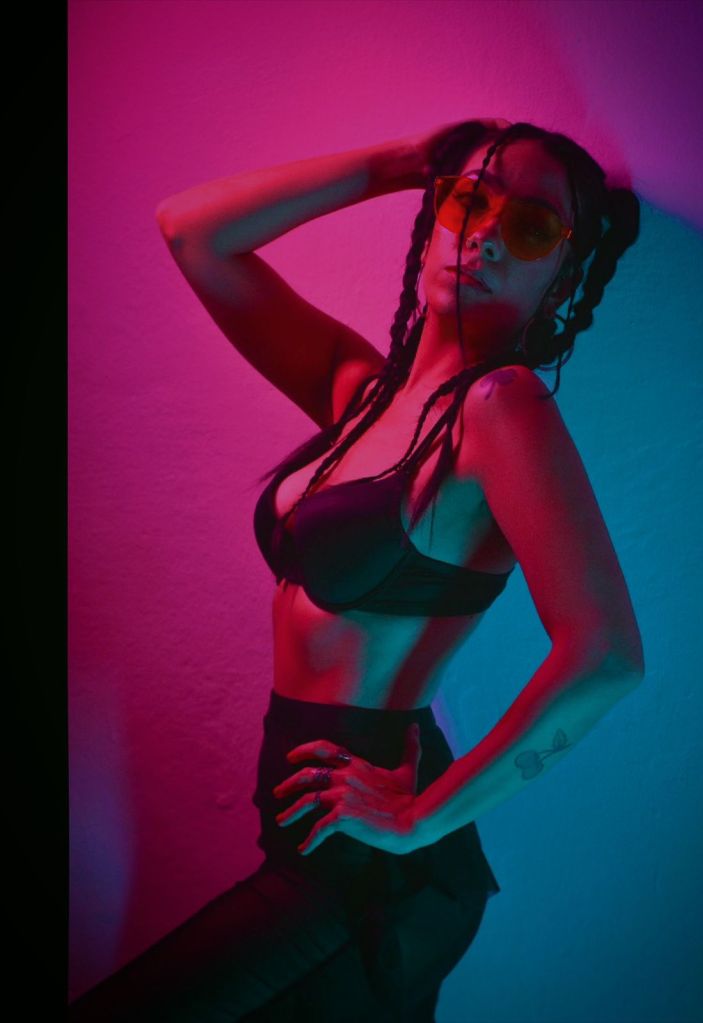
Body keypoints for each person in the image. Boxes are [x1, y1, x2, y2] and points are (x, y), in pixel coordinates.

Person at [69, 118, 644, 1021]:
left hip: (376, 869)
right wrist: (402, 164)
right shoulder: (364, 394)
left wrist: (420, 817)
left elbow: (605, 654)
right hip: (309, 836)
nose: (485, 235)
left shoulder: (500, 407)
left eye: (530, 225)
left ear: (561, 274)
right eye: (468, 199)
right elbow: (193, 231)